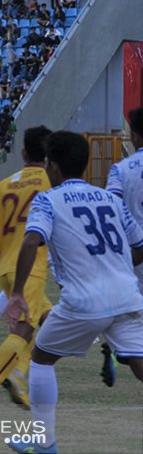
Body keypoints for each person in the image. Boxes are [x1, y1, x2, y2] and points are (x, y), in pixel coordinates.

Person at [4, 131, 143, 454]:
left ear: (51, 166)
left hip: (84, 302)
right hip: (126, 295)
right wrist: (115, 266)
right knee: (138, 362)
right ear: (85, 165)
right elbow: (139, 246)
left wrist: (18, 293)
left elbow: (30, 240)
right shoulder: (111, 199)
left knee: (41, 358)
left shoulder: (47, 200)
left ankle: (45, 442)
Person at [0, 126, 53, 416]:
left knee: (49, 318)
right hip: (31, 265)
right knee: (24, 329)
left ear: (23, 152)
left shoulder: (7, 182)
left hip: (6, 266)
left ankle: (19, 372)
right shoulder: (51, 182)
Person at [101, 107, 143, 386]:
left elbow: (111, 206)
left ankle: (117, 351)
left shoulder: (121, 169)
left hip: (133, 253)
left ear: (134, 135)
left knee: (129, 317)